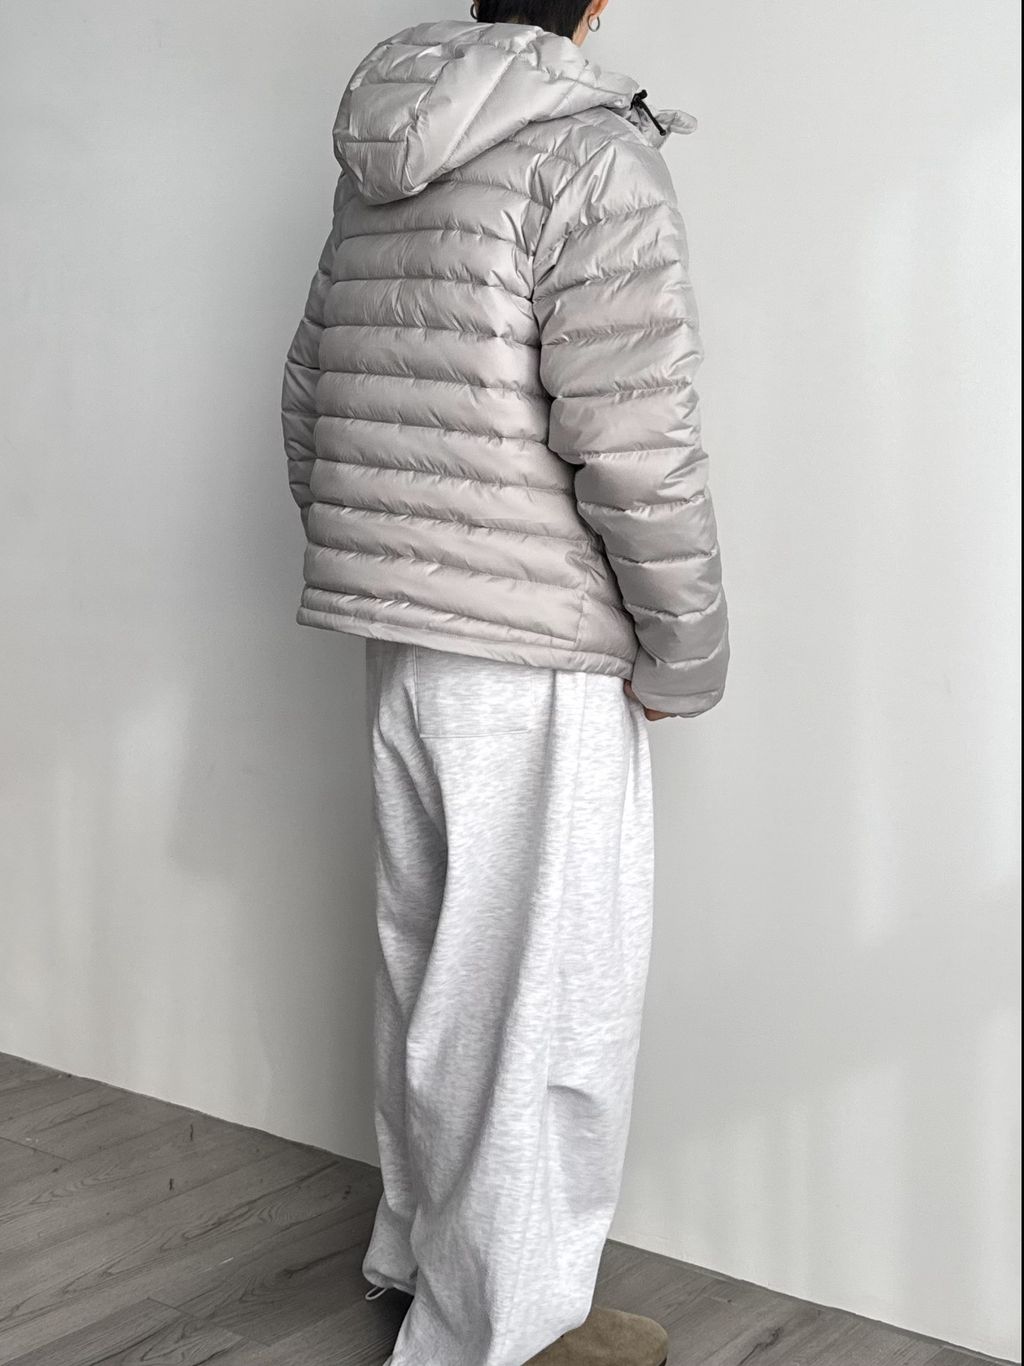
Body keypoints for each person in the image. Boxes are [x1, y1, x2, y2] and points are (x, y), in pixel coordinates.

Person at [280, 1, 730, 1361]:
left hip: (408, 638)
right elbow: (636, 437)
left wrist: (387, 560)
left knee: (435, 971)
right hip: (539, 643)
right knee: (544, 1002)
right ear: (594, 5)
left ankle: (423, 1257)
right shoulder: (591, 153)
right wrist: (685, 651)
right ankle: (508, 1331)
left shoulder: (382, 149)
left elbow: (310, 386)